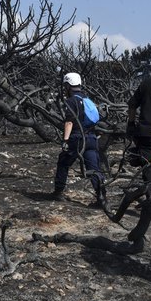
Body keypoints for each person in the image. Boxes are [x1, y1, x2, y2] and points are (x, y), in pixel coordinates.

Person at [52, 72, 107, 208]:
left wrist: (65, 140)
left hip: (77, 138)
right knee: (94, 169)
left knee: (63, 162)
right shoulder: (87, 99)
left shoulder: (71, 101)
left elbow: (69, 122)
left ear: (68, 86)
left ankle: (58, 192)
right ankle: (102, 198)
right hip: (91, 138)